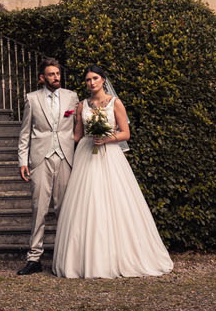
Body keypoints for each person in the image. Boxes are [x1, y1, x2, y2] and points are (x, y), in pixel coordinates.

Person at [51, 65, 173, 279]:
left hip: (110, 156)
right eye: (88, 80)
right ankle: (84, 259)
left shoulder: (115, 103)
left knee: (114, 202)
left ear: (103, 80)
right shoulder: (82, 106)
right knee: (86, 203)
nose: (91, 83)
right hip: (86, 156)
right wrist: (54, 145)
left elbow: (126, 133)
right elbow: (77, 134)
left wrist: (107, 138)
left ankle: (120, 256)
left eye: (95, 78)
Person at [14, 58, 79, 275]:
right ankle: (34, 258)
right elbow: (25, 133)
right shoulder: (32, 99)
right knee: (39, 209)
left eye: (58, 73)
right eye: (51, 74)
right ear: (42, 77)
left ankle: (65, 257)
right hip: (40, 158)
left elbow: (79, 125)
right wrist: (23, 161)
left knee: (64, 209)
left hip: (65, 157)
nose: (56, 77)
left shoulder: (72, 97)